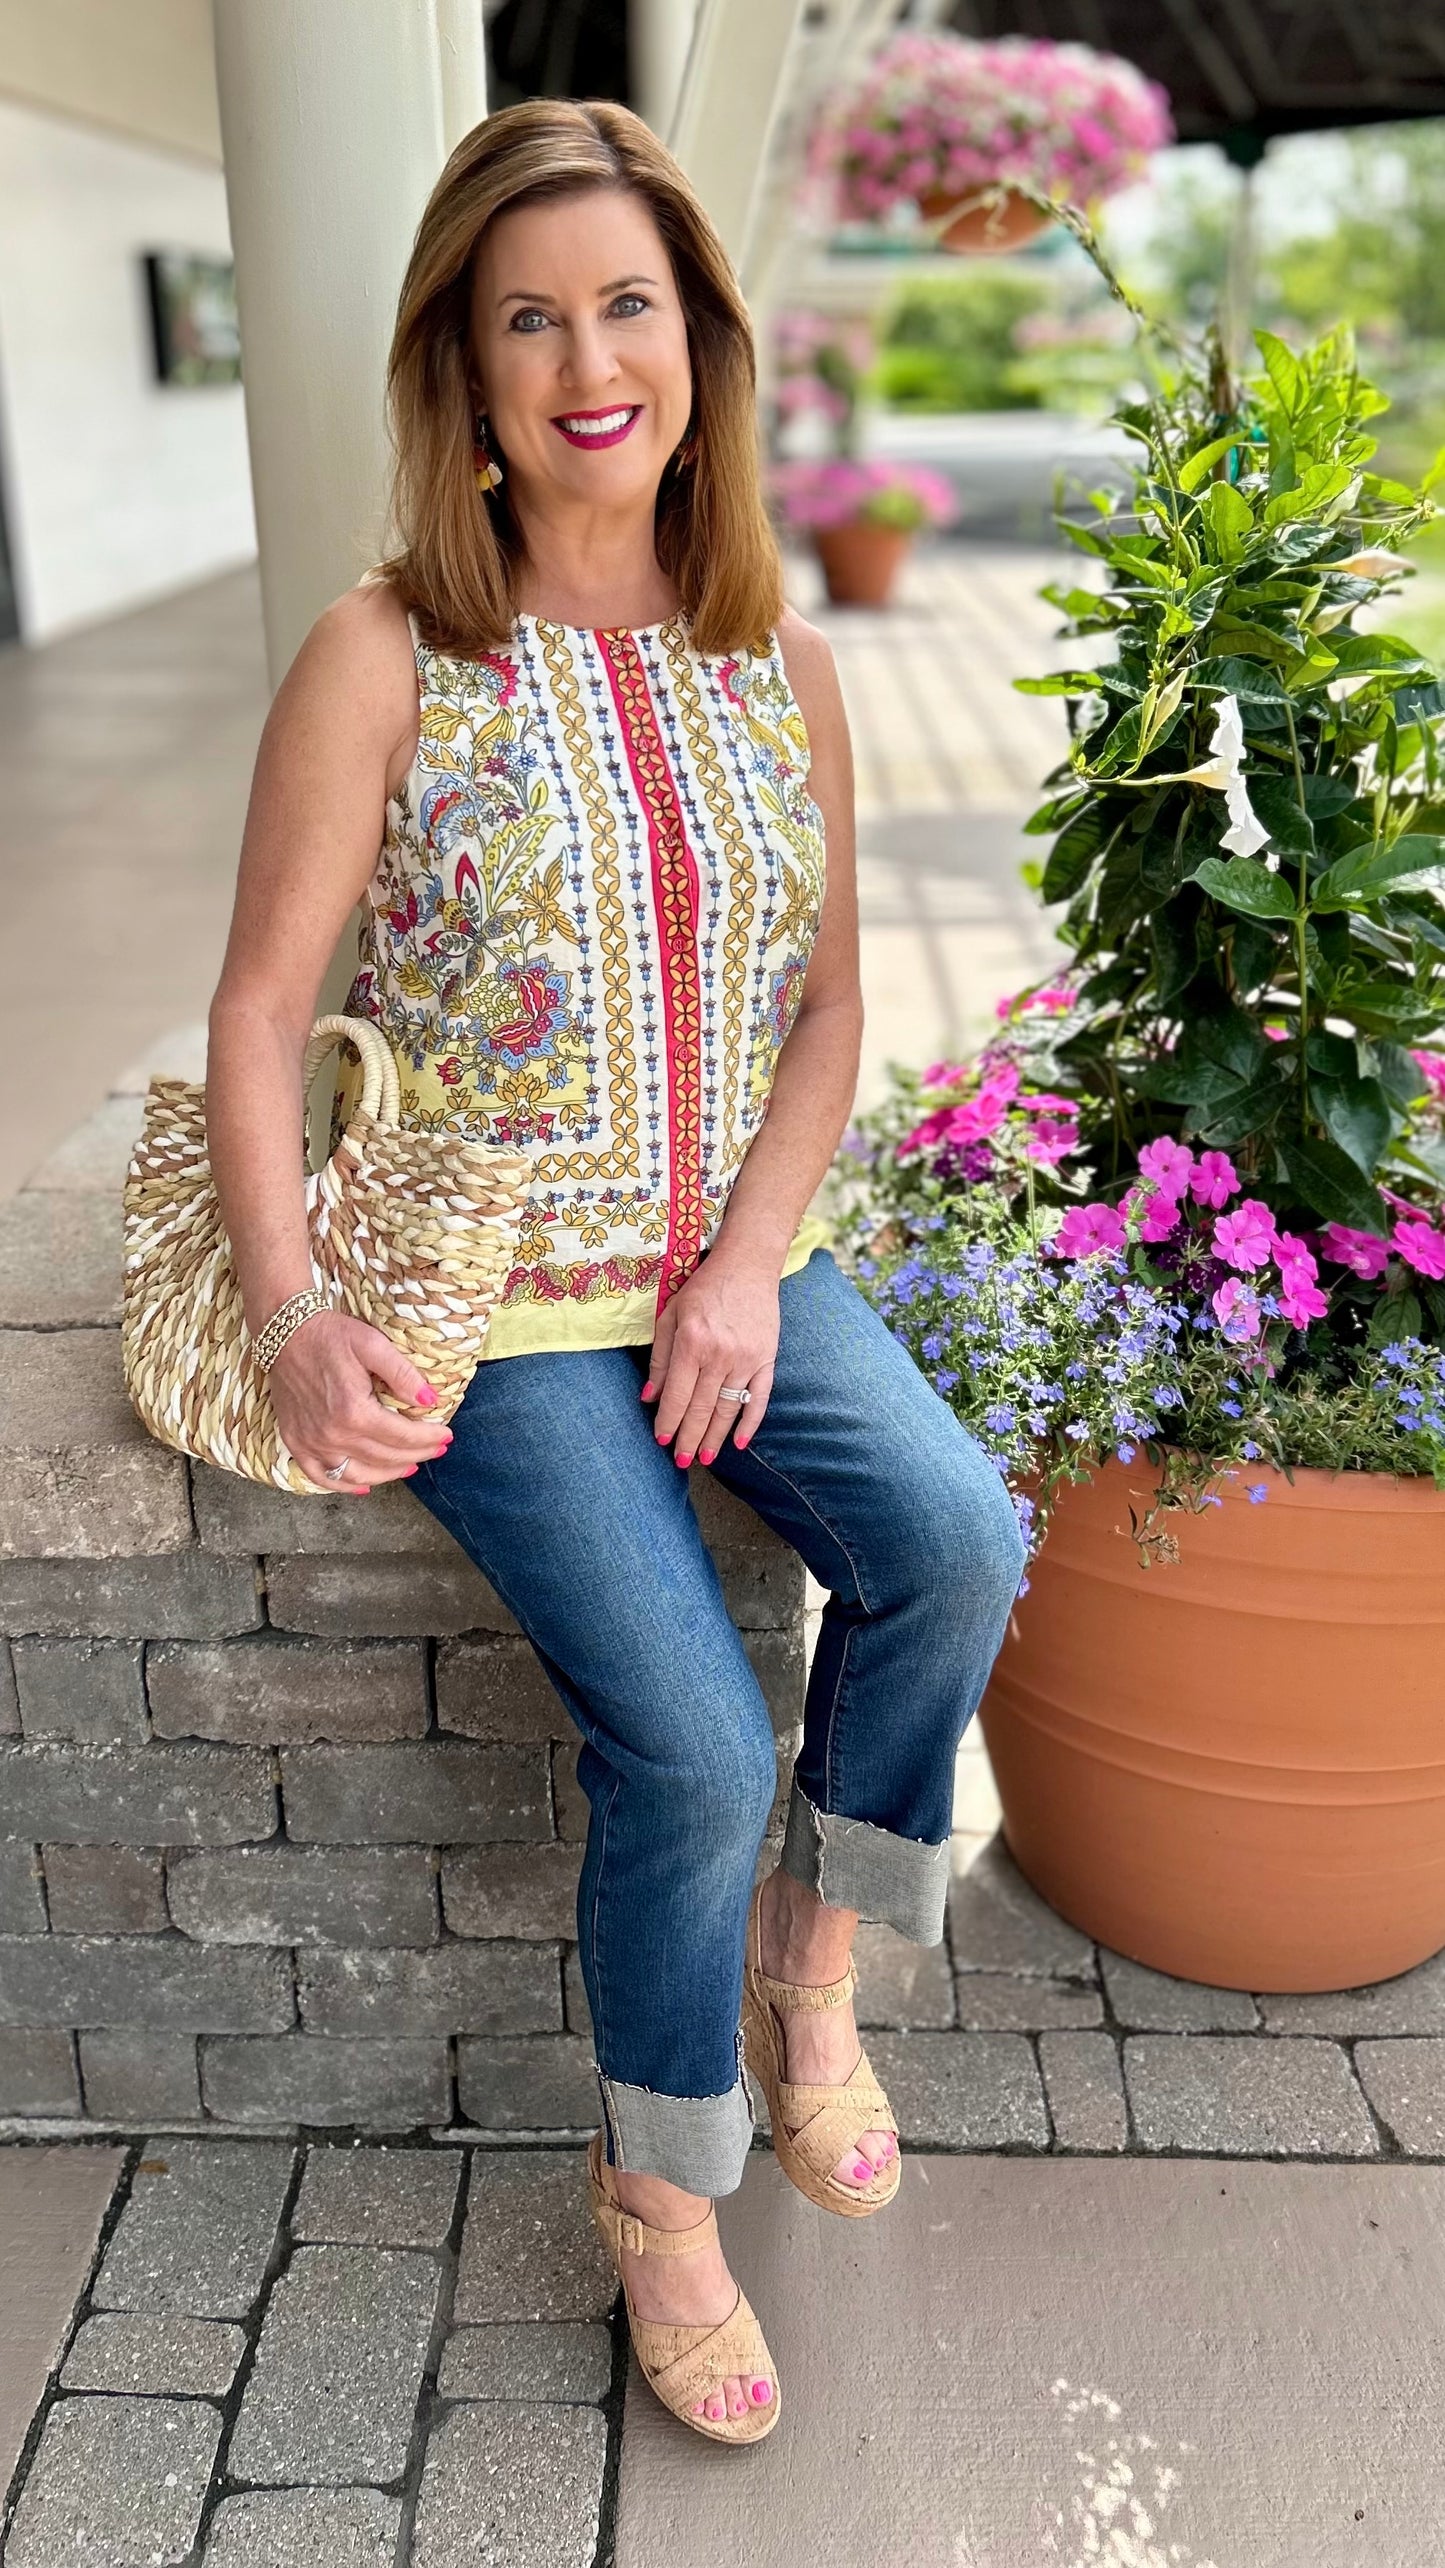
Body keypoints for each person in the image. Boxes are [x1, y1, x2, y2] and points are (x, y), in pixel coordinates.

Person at [205, 96, 1025, 2445]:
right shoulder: (387, 651)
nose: (589, 363)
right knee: (689, 1736)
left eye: (628, 307)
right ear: (465, 371)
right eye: (530, 319)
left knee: (958, 1539)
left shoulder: (777, 653)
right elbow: (256, 1010)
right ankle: (663, 2193)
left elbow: (834, 1008)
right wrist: (298, 1310)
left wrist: (753, 1268)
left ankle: (813, 1967)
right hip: (492, 1300)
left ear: (701, 343)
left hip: (728, 1262)